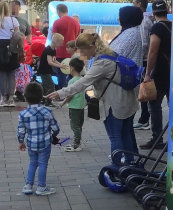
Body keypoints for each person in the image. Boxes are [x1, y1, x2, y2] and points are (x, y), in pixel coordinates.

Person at [46, 33, 139, 163]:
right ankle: (130, 163)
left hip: (114, 104)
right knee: (125, 134)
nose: (80, 54)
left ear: (91, 47)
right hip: (128, 101)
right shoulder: (111, 54)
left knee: (115, 137)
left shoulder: (102, 63)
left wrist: (61, 93)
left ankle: (117, 168)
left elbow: (83, 82)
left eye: (81, 50)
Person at [18, 82, 60, 196]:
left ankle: (28, 185)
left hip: (31, 143)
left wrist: (21, 141)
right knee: (43, 164)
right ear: (42, 97)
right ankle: (41, 187)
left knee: (32, 163)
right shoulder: (47, 111)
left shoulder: (23, 114)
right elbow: (55, 127)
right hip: (45, 143)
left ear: (25, 98)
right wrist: (54, 135)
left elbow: (21, 130)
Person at [141, 0, 172, 150]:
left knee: (154, 105)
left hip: (160, 71)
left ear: (153, 13)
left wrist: (147, 73)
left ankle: (157, 138)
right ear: (167, 11)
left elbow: (153, 51)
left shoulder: (157, 28)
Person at [132, 0, 154, 131]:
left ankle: (144, 119)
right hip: (145, 59)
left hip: (144, 60)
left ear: (139, 4)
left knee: (144, 89)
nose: (132, 5)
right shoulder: (147, 20)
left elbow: (145, 43)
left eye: (134, 3)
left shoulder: (144, 21)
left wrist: (138, 57)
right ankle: (144, 118)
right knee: (144, 89)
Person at [50, 4, 81, 89]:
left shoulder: (57, 22)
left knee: (61, 75)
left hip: (60, 52)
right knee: (73, 74)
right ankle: (72, 92)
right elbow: (78, 38)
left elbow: (53, 37)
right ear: (67, 11)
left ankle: (61, 95)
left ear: (58, 11)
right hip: (73, 53)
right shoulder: (76, 23)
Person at [64, 58, 86, 152]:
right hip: (81, 105)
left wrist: (63, 102)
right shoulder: (82, 79)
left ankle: (76, 144)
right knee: (79, 124)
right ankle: (78, 142)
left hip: (74, 106)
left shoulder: (72, 81)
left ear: (72, 68)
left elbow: (70, 95)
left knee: (74, 125)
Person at [38, 33, 65, 98]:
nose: (61, 44)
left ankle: (44, 98)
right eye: (60, 42)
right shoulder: (49, 49)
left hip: (47, 71)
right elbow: (50, 62)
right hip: (44, 71)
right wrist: (60, 66)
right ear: (56, 41)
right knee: (50, 86)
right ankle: (48, 100)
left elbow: (54, 60)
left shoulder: (53, 50)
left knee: (47, 85)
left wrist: (61, 65)